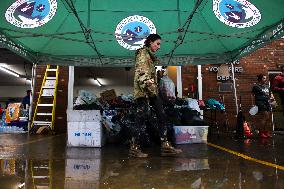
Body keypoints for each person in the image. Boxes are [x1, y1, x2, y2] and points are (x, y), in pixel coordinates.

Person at [130, 34, 182, 157]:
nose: (159, 47)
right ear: (150, 42)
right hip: (143, 91)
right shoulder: (143, 54)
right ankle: (134, 148)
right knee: (141, 119)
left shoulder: (150, 56)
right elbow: (141, 71)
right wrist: (147, 81)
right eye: (157, 43)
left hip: (152, 91)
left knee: (161, 115)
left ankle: (165, 146)